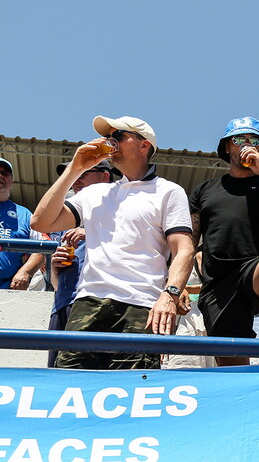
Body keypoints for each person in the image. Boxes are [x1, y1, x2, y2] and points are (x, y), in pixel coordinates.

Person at [31, 115, 194, 370]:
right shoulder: (95, 192)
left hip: (141, 306)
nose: (110, 142)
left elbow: (184, 249)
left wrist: (169, 296)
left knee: (132, 394)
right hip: (88, 302)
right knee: (71, 389)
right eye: (108, 137)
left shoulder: (169, 191)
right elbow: (40, 222)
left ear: (144, 145)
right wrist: (76, 167)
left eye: (117, 136)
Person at [190, 117, 259, 365]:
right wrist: (175, 285)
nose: (246, 144)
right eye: (239, 139)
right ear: (227, 146)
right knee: (232, 368)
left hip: (257, 271)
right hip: (218, 283)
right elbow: (189, 240)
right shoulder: (205, 189)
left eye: (253, 139)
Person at [45, 161, 113, 366]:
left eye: (84, 173)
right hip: (64, 304)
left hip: (101, 304)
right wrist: (55, 267)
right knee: (59, 376)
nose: (77, 180)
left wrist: (93, 232)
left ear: (105, 177)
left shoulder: (121, 208)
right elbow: (55, 283)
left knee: (97, 378)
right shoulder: (63, 218)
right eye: (73, 175)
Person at [0, 157, 46, 290]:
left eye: (5, 173)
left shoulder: (24, 214)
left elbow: (42, 249)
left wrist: (25, 272)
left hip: (7, 291)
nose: (0, 176)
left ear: (12, 182)